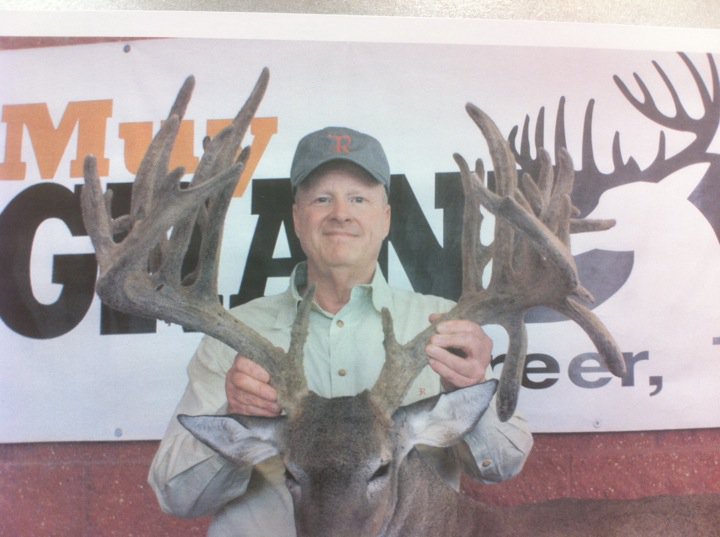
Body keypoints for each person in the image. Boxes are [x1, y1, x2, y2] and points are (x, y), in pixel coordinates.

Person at [148, 126, 533, 536]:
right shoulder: (234, 335)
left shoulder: (444, 328)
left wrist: (469, 391)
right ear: (297, 218)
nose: (341, 214)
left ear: (385, 219)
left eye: (359, 198)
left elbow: (503, 467)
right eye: (321, 199)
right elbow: (177, 497)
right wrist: (233, 414)